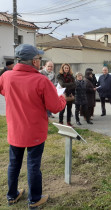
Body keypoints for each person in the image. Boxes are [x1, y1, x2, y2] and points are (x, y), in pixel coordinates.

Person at [0, 44, 66, 208]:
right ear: (34, 61)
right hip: (35, 131)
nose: (39, 61)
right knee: (33, 165)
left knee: (14, 164)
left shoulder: (6, 76)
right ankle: (34, 199)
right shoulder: (41, 80)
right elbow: (56, 107)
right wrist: (62, 97)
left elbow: (3, 91)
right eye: (38, 58)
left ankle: (12, 195)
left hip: (15, 130)